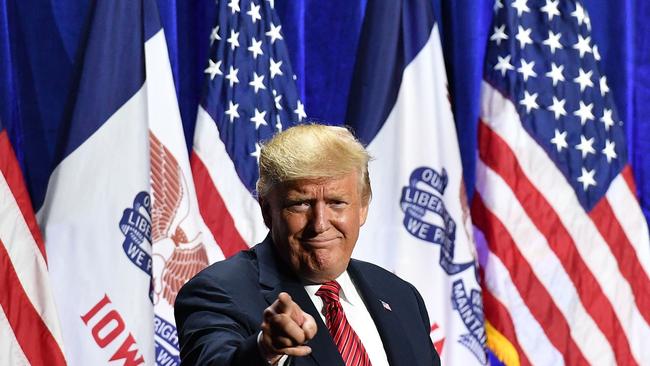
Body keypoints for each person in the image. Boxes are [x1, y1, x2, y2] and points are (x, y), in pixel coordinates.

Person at [175, 124, 441, 366]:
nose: (320, 224)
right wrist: (265, 350)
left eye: (337, 202)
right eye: (300, 204)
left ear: (362, 207)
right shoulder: (218, 291)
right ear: (268, 211)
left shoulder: (400, 295)